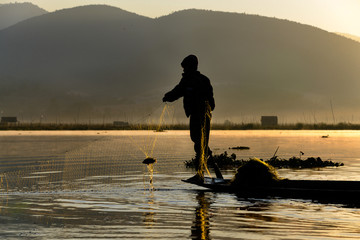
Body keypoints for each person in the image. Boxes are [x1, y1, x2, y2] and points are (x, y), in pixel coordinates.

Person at [162, 55, 215, 182]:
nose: (184, 71)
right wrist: (168, 96)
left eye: (185, 68)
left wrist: (167, 96)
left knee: (199, 143)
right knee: (200, 143)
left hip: (200, 116)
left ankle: (200, 174)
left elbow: (177, 91)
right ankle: (201, 172)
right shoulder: (201, 80)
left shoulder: (192, 80)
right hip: (202, 116)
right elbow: (212, 104)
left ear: (192, 67)